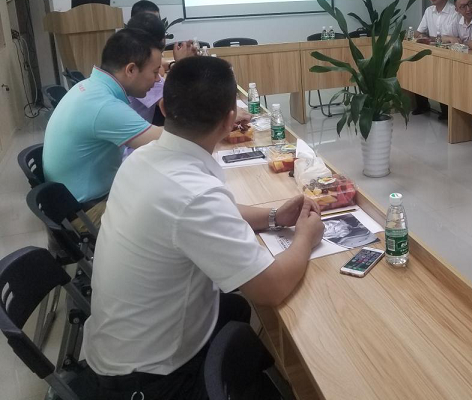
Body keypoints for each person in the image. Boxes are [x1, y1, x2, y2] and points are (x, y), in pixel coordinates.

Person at [83, 56, 325, 400]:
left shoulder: (143, 158)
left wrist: (274, 216)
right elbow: (270, 289)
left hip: (126, 344)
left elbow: (201, 214)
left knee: (238, 311)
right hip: (150, 380)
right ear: (229, 120)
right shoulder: (193, 194)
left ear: (163, 107)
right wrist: (305, 237)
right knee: (260, 311)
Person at [42, 29, 164, 225]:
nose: (158, 80)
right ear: (131, 70)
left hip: (72, 203)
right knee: (172, 210)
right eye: (155, 72)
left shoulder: (89, 87)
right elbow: (165, 141)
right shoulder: (103, 105)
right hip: (88, 214)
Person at [412, 0, 458, 119]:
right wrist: (427, 37)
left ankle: (446, 112)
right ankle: (423, 105)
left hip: (449, 53)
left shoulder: (454, 11)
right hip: (431, 51)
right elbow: (418, 32)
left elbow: (453, 38)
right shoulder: (429, 10)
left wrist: (433, 38)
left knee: (443, 81)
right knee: (418, 72)